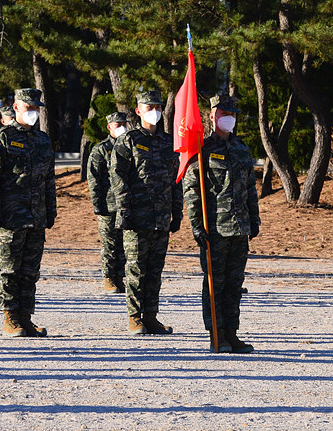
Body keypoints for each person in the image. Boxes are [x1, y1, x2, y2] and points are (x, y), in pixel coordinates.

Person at [183, 95, 260, 353]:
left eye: (234, 114)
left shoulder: (242, 150)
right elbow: (192, 191)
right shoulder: (202, 150)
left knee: (234, 285)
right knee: (215, 284)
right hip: (214, 229)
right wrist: (196, 226)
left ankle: (232, 333)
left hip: (240, 229)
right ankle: (216, 334)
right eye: (225, 113)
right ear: (212, 116)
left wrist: (254, 218)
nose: (230, 118)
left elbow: (250, 188)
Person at [0, 88, 56, 338]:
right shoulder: (1, 139)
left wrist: (50, 211)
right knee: (9, 270)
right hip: (10, 217)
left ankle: (26, 317)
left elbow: (49, 180)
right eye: (29, 108)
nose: (33, 112)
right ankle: (10, 318)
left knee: (30, 271)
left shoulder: (43, 140)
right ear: (16, 108)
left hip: (36, 216)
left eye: (36, 108)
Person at [111, 91, 183, 335]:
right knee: (136, 269)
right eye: (149, 106)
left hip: (161, 217)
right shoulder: (127, 141)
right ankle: (134, 316)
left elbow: (176, 180)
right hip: (136, 217)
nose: (154, 110)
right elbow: (118, 179)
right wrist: (124, 211)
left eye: (158, 106)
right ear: (138, 110)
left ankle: (151, 315)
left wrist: (177, 213)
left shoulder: (167, 142)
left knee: (154, 270)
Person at [87, 111, 128, 294]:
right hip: (108, 204)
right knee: (110, 243)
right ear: (109, 127)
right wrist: (98, 204)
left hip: (126, 204)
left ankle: (120, 277)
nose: (122, 127)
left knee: (124, 244)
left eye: (124, 124)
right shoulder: (101, 149)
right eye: (117, 124)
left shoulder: (129, 146)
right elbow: (94, 178)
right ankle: (109, 278)